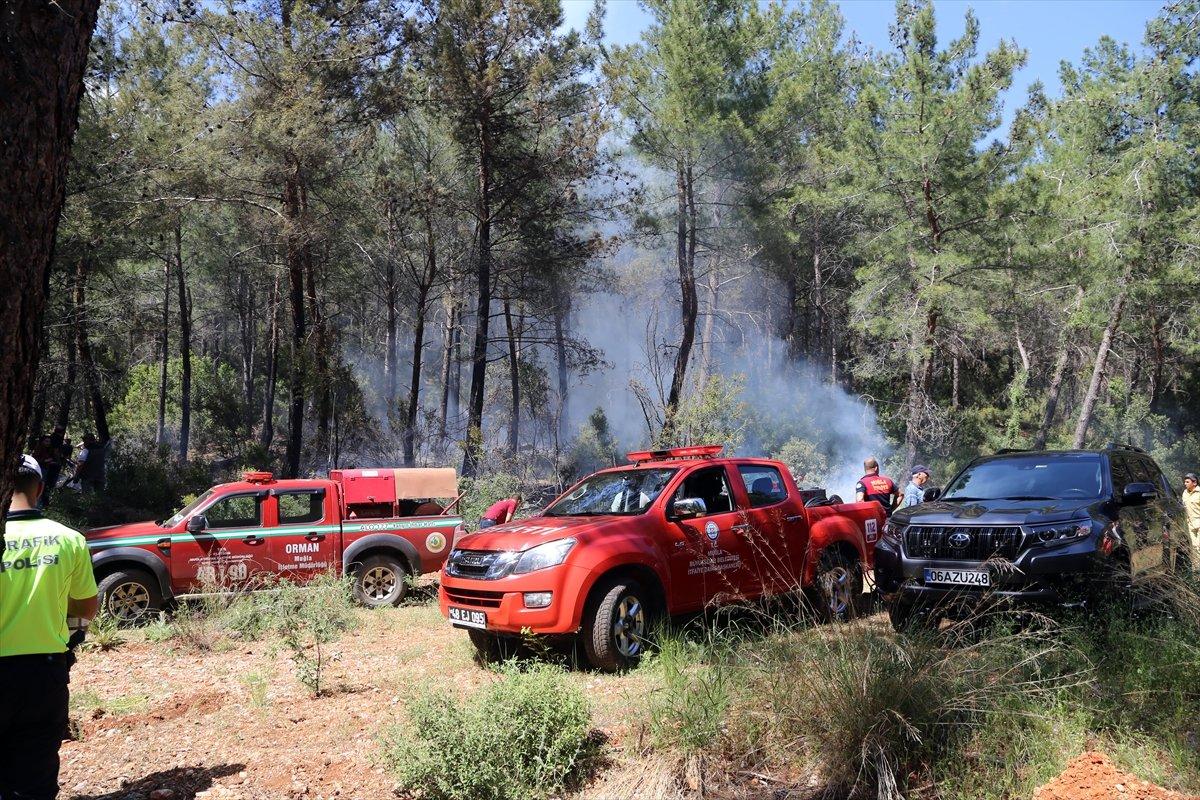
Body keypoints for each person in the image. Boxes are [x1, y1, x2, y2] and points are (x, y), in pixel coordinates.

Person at [1, 454, 99, 800]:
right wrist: (73, 633)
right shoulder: (68, 539)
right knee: (36, 776)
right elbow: (86, 605)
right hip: (43, 673)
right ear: (41, 488)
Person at [1183, 472, 1200, 568]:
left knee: (1198, 547)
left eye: (1187, 482)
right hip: (1190, 524)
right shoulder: (1185, 493)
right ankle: (1196, 573)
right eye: (1185, 482)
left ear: (1194, 483)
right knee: (1194, 548)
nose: (1185, 484)